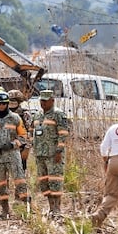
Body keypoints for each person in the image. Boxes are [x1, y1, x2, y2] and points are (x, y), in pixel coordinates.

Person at [0, 87, 29, 219]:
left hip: (12, 156)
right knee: (1, 185)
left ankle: (25, 210)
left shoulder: (15, 118)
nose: (1, 106)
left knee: (20, 182)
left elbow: (23, 136)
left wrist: (12, 144)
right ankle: (5, 211)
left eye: (3, 103)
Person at [31, 89, 69, 219]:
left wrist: (59, 151)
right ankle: (51, 208)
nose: (43, 103)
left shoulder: (58, 114)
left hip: (53, 155)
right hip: (40, 154)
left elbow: (63, 134)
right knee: (44, 182)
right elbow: (33, 132)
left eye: (46, 101)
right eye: (41, 101)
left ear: (52, 100)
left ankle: (57, 209)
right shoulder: (37, 115)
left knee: (55, 182)